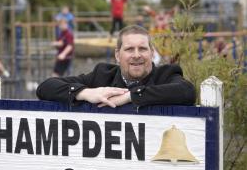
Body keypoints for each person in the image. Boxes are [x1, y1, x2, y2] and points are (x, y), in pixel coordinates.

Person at [37, 25, 196, 108]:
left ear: (152, 53)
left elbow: (187, 92)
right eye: (129, 49)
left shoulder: (166, 74)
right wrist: (85, 93)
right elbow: (45, 87)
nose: (136, 55)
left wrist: (131, 96)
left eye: (142, 49)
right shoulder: (102, 75)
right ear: (117, 55)